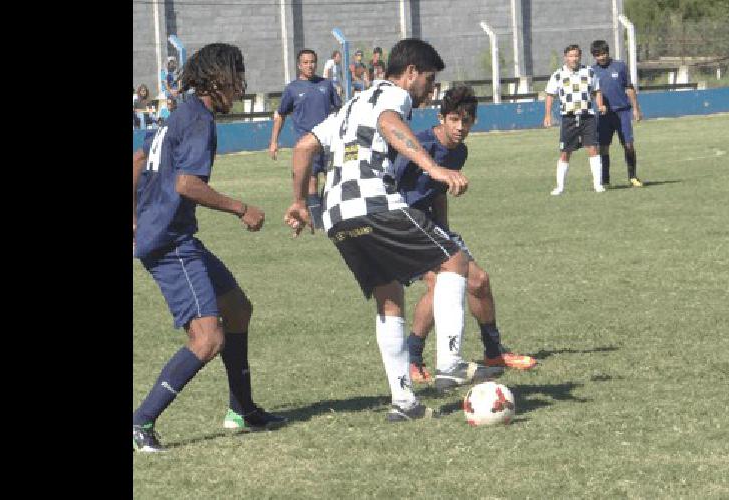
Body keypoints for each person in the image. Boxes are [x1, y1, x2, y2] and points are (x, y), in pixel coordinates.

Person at [282, 38, 503, 422]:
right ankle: (449, 360)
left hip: (337, 217)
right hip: (374, 203)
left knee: (389, 297)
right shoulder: (392, 96)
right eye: (429, 80)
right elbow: (388, 124)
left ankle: (404, 403)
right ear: (411, 72)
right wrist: (433, 168)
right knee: (454, 259)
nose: (430, 90)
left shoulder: (351, 106)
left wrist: (300, 203)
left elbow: (303, 147)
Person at [132, 42, 286, 453]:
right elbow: (187, 184)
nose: (240, 86)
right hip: (170, 242)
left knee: (237, 308)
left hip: (171, 235)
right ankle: (140, 421)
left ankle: (243, 409)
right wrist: (241, 209)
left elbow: (138, 158)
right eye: (236, 78)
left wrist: (134, 216)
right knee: (207, 338)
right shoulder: (197, 118)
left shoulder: (178, 114)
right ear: (217, 79)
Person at [388, 86, 538, 384]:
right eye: (454, 119)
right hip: (403, 225)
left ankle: (494, 351)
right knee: (441, 286)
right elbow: (391, 186)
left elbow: (438, 192)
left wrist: (445, 231)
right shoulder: (420, 145)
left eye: (466, 121)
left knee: (479, 281)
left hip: (432, 226)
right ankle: (413, 358)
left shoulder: (460, 151)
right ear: (441, 117)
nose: (459, 127)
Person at [268, 49, 342, 229]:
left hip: (329, 142)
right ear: (299, 65)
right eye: (306, 62)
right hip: (307, 144)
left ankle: (331, 214)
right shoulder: (292, 89)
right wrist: (274, 141)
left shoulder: (326, 85)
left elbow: (340, 110)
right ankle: (317, 223)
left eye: (313, 62)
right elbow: (281, 115)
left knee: (334, 179)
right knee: (312, 181)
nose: (310, 65)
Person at [543, 44, 606, 195]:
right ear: (565, 57)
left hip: (587, 116)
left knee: (593, 149)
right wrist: (547, 115)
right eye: (571, 56)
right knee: (565, 152)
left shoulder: (589, 72)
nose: (574, 59)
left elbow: (597, 90)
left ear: (580, 57)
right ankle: (560, 187)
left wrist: (600, 104)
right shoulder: (558, 75)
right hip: (569, 118)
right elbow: (550, 95)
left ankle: (597, 184)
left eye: (576, 55)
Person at [589, 40, 643, 188]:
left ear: (608, 52)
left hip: (622, 112)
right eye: (598, 55)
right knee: (603, 147)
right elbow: (590, 93)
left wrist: (636, 109)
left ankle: (633, 177)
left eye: (604, 53)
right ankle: (605, 180)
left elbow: (629, 88)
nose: (602, 57)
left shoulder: (620, 66)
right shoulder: (591, 71)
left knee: (629, 145)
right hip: (604, 116)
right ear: (594, 56)